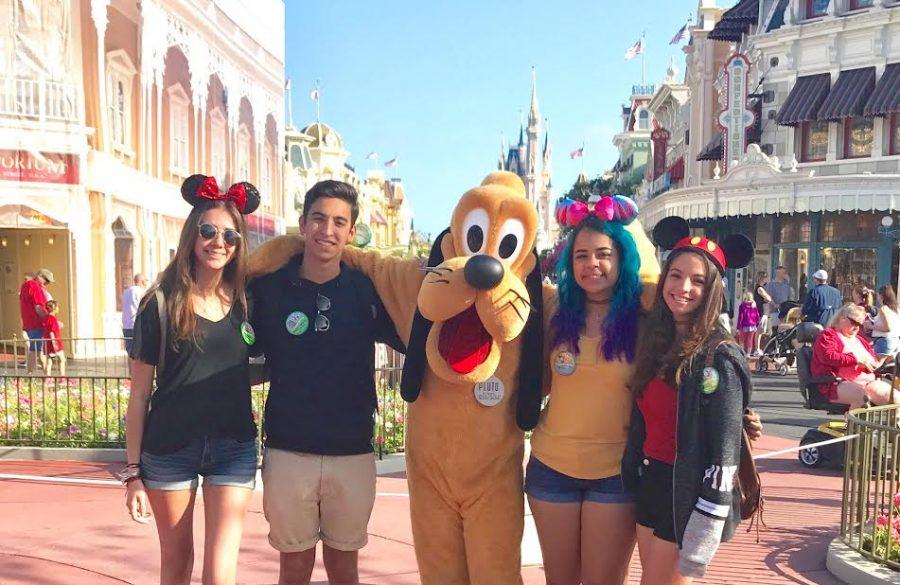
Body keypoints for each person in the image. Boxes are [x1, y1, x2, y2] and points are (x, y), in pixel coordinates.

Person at [248, 180, 403, 585]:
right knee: (294, 568)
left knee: (344, 568)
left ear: (352, 232)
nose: (327, 230)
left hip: (351, 450)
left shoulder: (366, 289)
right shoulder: (267, 289)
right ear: (302, 223)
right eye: (318, 218)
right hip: (288, 449)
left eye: (339, 222)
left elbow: (412, 332)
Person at [122, 175, 261, 585]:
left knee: (221, 573)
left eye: (230, 236)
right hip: (170, 448)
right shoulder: (160, 303)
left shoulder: (246, 301)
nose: (219, 242)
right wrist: (133, 473)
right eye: (208, 231)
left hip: (232, 446)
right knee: (177, 564)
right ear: (192, 235)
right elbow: (139, 395)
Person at [526, 195, 654, 584]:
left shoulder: (646, 313)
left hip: (615, 473)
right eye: (581, 256)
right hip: (551, 467)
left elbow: (693, 314)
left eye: (603, 254)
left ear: (622, 258)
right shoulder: (553, 308)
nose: (591, 265)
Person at [623, 217, 753, 583]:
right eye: (676, 275)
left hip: (689, 493)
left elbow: (724, 454)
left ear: (713, 290)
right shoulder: (658, 342)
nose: (683, 287)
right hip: (652, 481)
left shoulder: (720, 356)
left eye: (698, 281)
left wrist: (706, 525)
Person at [811, 303, 900, 409]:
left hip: (867, 381)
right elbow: (828, 356)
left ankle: (894, 424)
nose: (857, 327)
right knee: (861, 397)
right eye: (854, 322)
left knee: (895, 398)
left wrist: (880, 363)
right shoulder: (828, 335)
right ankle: (855, 425)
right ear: (842, 317)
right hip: (835, 382)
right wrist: (856, 360)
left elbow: (873, 359)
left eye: (860, 325)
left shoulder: (860, 339)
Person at [19, 268, 52, 373]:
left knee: (37, 350)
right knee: (36, 350)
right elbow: (38, 308)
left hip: (29, 324)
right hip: (36, 324)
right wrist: (49, 319)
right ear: (39, 277)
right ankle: (35, 376)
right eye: (46, 281)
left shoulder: (25, 286)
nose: (47, 284)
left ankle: (46, 376)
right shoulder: (34, 287)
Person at [122, 273, 149, 355]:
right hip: (137, 325)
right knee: (138, 353)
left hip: (126, 325)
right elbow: (144, 308)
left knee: (130, 352)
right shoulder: (141, 292)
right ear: (142, 282)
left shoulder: (126, 292)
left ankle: (130, 368)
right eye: (145, 281)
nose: (146, 284)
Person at [871, 285, 900, 357]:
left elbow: (887, 328)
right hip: (895, 341)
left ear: (881, 296)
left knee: (874, 366)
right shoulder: (896, 310)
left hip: (884, 342)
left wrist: (871, 326)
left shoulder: (883, 309)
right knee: (890, 367)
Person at [764, 266, 793, 331]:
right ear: (778, 273)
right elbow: (767, 298)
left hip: (785, 312)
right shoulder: (771, 285)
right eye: (783, 273)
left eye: (784, 273)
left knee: (784, 332)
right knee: (775, 331)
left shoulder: (786, 285)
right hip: (775, 312)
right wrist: (775, 305)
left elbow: (790, 297)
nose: (784, 274)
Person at [43, 300, 65, 377]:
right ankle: (62, 377)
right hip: (55, 343)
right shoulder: (53, 319)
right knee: (62, 360)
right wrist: (54, 344)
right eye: (58, 307)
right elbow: (52, 332)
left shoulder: (47, 318)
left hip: (48, 344)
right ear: (55, 308)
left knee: (49, 361)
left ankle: (48, 377)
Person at [752, 272, 772, 355]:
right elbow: (768, 298)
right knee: (759, 330)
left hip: (762, 311)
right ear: (762, 278)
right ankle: (757, 349)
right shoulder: (759, 288)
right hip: (759, 311)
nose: (767, 279)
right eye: (766, 278)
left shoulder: (762, 288)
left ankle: (758, 348)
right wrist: (767, 297)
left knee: (761, 330)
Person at [736, 291, 760, 356]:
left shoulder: (742, 305)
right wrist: (757, 324)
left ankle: (742, 353)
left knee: (741, 339)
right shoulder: (754, 305)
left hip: (744, 325)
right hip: (752, 325)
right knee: (750, 340)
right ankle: (748, 353)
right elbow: (757, 316)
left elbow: (740, 316)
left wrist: (738, 327)